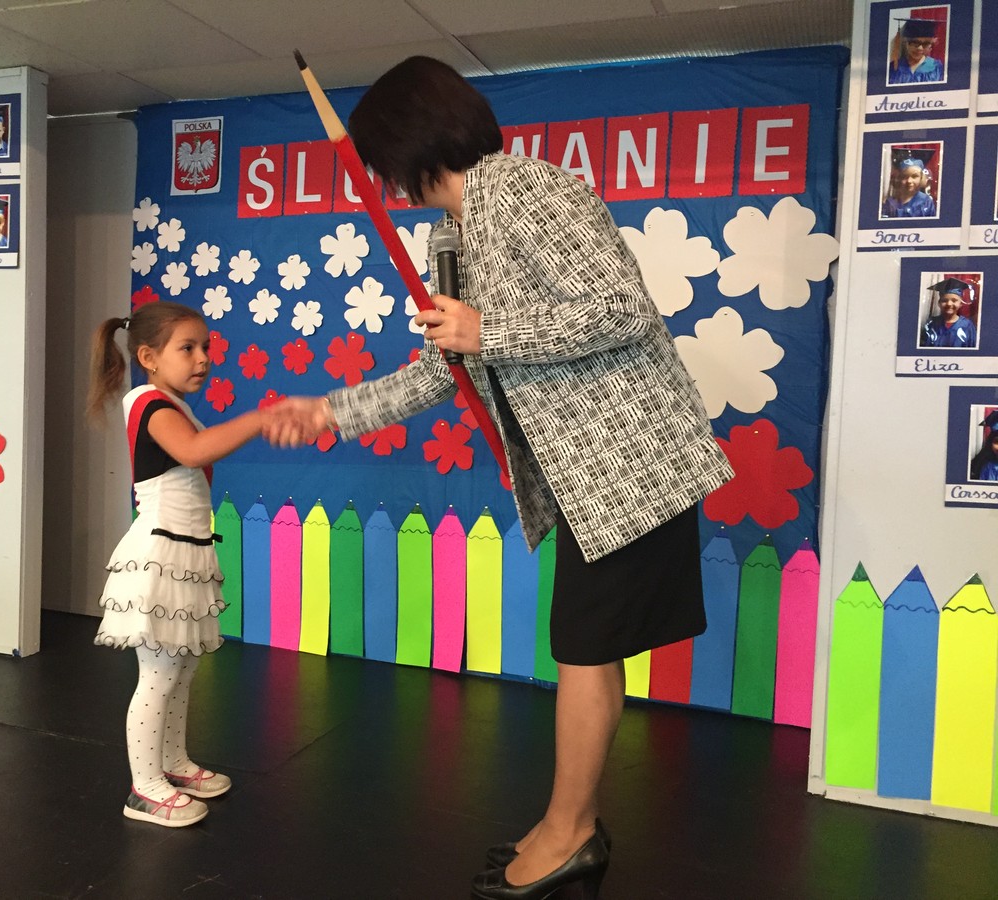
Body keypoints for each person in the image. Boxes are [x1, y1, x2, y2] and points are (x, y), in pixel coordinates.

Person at [264, 56, 733, 900]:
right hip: (586, 480)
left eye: (380, 159)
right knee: (586, 648)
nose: (382, 179)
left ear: (407, 142)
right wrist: (334, 410)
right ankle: (569, 824)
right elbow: (444, 365)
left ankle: (570, 832)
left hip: (626, 467)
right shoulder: (452, 234)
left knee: (583, 649)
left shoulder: (521, 187)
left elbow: (620, 309)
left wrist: (489, 329)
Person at [87, 300, 262, 828]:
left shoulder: (173, 405)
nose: (203, 358)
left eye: (206, 347)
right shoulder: (150, 404)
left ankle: (173, 764)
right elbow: (194, 451)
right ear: (148, 357)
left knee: (181, 668)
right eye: (188, 348)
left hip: (184, 552)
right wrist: (259, 418)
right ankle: (144, 788)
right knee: (159, 674)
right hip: (160, 555)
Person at [920, 277, 977, 348]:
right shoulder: (931, 324)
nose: (949, 304)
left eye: (954, 300)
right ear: (939, 303)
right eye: (944, 300)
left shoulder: (967, 326)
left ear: (960, 304)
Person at [882, 148, 937, 218]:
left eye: (914, 176)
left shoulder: (926, 201)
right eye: (904, 176)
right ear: (899, 178)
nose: (909, 181)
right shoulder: (891, 202)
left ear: (921, 178)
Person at [889, 18, 944, 85]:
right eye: (915, 42)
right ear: (906, 42)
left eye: (926, 44)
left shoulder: (936, 67)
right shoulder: (894, 67)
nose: (920, 48)